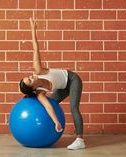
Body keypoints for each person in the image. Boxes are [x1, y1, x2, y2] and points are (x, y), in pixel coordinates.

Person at [19, 18, 86, 150]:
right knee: (48, 106)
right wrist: (57, 123)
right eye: (30, 80)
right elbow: (49, 107)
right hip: (63, 87)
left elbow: (35, 48)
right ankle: (48, 129)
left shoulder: (38, 70)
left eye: (28, 77)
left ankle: (80, 139)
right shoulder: (40, 93)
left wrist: (33, 30)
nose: (32, 76)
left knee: (73, 108)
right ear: (33, 87)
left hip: (73, 80)